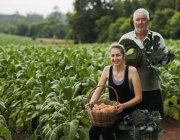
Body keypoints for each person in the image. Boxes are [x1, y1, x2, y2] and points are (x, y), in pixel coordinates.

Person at [85, 43, 142, 140]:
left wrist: (123, 106)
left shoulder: (132, 71)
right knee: (92, 131)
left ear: (124, 56)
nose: (115, 58)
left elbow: (139, 97)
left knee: (106, 131)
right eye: (113, 55)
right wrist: (91, 104)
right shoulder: (107, 70)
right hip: (111, 111)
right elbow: (98, 90)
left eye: (118, 55)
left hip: (128, 111)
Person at [119, 8, 167, 119]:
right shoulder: (125, 38)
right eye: (138, 19)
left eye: (144, 19)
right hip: (130, 89)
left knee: (153, 121)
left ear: (148, 21)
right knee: (133, 123)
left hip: (151, 86)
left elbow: (164, 58)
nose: (141, 22)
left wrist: (156, 61)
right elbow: (118, 60)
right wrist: (128, 66)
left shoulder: (157, 37)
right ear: (133, 21)